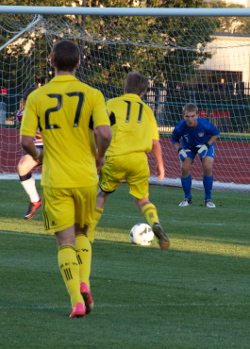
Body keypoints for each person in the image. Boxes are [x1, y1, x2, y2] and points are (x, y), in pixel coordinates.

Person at [20, 40, 111, 318]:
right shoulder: (93, 93)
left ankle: (77, 300)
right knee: (83, 233)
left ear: (51, 61)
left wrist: (39, 156)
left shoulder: (37, 97)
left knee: (65, 242)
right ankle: (84, 281)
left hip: (56, 178)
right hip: (85, 177)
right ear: (79, 63)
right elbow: (105, 133)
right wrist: (100, 155)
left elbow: (25, 141)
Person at [88, 72, 170, 250]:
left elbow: (98, 130)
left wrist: (96, 152)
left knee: (102, 195)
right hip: (139, 161)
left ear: (125, 87)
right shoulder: (147, 110)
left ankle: (89, 235)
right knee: (143, 200)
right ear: (144, 91)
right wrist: (160, 166)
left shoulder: (111, 104)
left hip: (115, 158)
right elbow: (155, 142)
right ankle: (155, 222)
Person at [171, 103, 220, 208]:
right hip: (188, 146)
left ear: (197, 115)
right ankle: (187, 198)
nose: (190, 119)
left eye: (193, 116)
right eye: (187, 116)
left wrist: (206, 145)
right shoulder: (180, 126)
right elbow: (174, 139)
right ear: (183, 116)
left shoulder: (204, 124)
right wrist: (179, 150)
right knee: (184, 168)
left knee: (207, 166)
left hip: (205, 145)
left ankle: (208, 199)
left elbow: (216, 133)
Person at [16, 87, 43, 220]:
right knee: (22, 167)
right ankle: (35, 200)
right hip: (37, 147)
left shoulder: (53, 109)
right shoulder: (22, 114)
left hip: (58, 145)